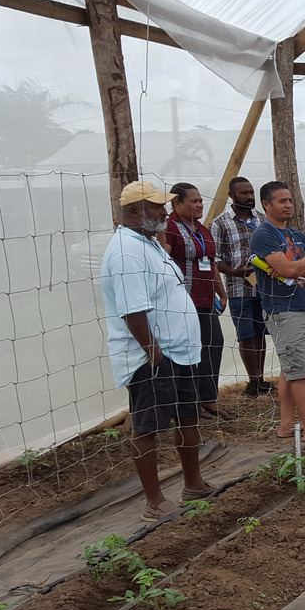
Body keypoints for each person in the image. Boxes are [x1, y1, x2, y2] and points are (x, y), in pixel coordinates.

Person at [100, 181, 212, 521]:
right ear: (135, 212)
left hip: (179, 351)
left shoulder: (148, 242)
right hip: (153, 354)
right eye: (156, 207)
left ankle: (193, 483)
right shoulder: (126, 252)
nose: (165, 212)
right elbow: (133, 310)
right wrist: (154, 354)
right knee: (148, 426)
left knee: (188, 415)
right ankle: (154, 501)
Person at [251, 180, 305, 445]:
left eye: (290, 200)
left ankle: (285, 424)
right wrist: (301, 263)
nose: (288, 205)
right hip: (283, 310)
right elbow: (294, 270)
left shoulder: (297, 234)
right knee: (299, 371)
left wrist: (295, 265)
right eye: (282, 201)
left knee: (292, 368)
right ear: (266, 205)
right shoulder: (264, 235)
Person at [164, 182, 229, 421]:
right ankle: (190, 404)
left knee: (214, 345)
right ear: (177, 203)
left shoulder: (202, 229)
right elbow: (163, 261)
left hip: (205, 299)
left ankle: (209, 399)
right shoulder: (169, 228)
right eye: (194, 201)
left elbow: (210, 263)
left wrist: (221, 292)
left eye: (201, 200)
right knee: (189, 351)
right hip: (182, 302)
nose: (200, 205)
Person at [209, 176, 273, 397]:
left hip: (263, 285)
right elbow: (215, 259)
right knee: (246, 334)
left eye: (251, 192)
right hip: (238, 289)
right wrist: (235, 272)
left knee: (261, 332)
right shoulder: (220, 223)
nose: (249, 197)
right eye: (244, 193)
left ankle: (261, 379)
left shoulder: (262, 219)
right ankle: (253, 380)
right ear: (231, 196)